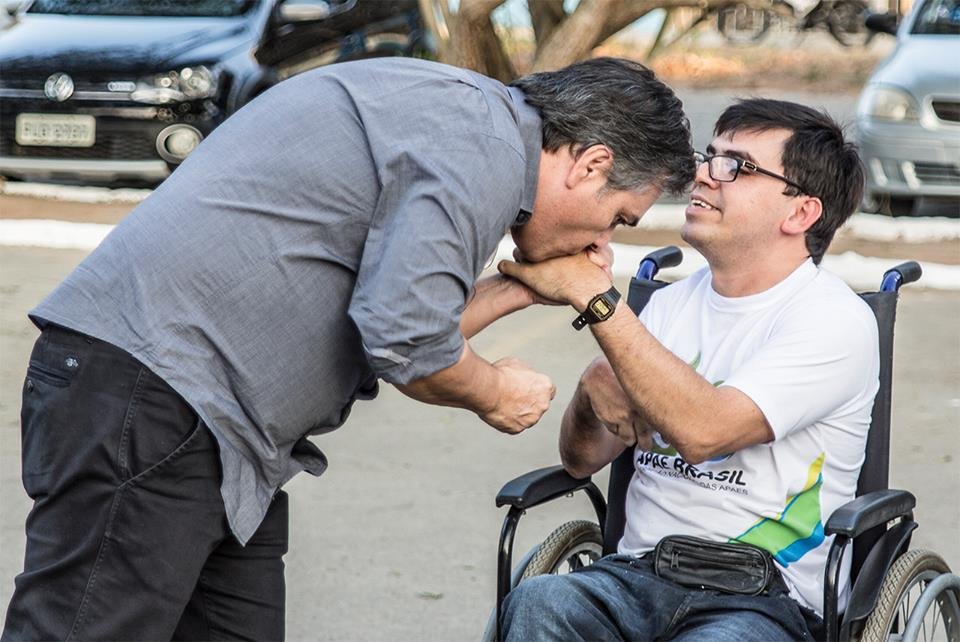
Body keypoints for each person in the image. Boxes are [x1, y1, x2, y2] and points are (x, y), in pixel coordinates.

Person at [3, 57, 694, 641]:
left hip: (216, 430)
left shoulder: (468, 124)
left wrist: (522, 288)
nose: (603, 244)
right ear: (591, 163)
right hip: (156, 395)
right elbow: (406, 341)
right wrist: (493, 391)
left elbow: (394, 317)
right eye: (617, 218)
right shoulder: (481, 147)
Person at [498, 98, 877, 641]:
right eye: (709, 156)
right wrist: (590, 390)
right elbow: (581, 460)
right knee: (538, 603)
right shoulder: (669, 306)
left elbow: (704, 432)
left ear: (800, 213)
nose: (704, 174)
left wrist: (595, 298)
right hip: (635, 574)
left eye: (737, 166)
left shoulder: (834, 321)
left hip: (760, 597)